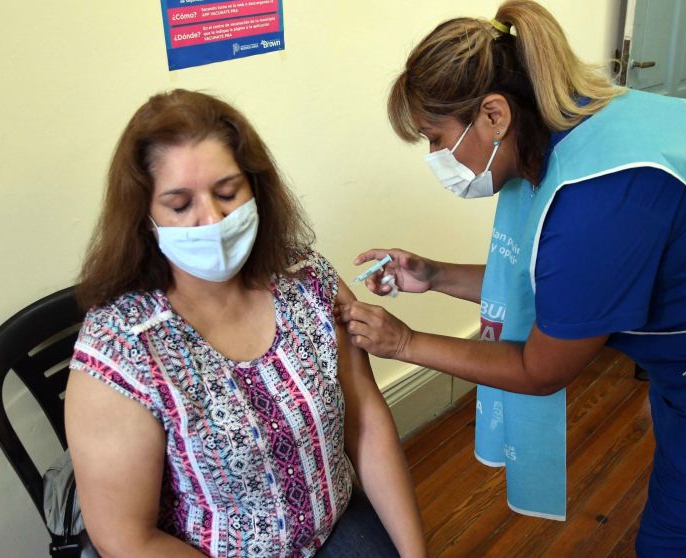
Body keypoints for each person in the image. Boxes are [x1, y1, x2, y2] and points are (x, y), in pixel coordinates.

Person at [337, 1, 686, 557]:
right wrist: (433, 275)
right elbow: (563, 289)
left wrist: (404, 343)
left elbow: (539, 369)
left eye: (436, 137)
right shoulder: (597, 122)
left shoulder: (596, 203)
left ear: (494, 116)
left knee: (673, 548)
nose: (435, 156)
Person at [65, 89, 426, 558]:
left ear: (255, 187)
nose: (211, 219)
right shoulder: (121, 347)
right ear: (145, 217)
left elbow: (366, 422)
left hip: (332, 525)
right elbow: (125, 537)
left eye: (227, 193)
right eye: (180, 205)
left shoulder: (306, 279)